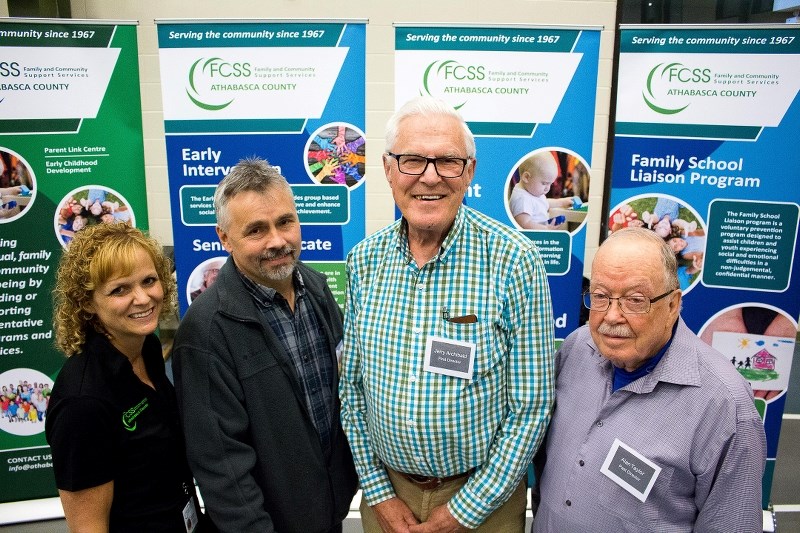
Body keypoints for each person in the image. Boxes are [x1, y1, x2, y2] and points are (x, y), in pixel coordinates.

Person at [340, 96, 555, 532]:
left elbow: (532, 406)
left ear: (470, 171)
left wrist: (466, 510)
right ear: (387, 168)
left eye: (448, 162)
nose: (430, 177)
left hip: (485, 499)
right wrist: (378, 493)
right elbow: (352, 394)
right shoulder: (363, 262)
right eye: (413, 160)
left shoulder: (515, 261)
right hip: (389, 496)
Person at [532, 227, 766, 532]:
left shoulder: (724, 407)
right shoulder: (577, 349)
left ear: (673, 305)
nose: (612, 316)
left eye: (635, 300)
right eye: (600, 296)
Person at [171, 157, 357, 532]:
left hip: (329, 511)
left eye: (285, 222)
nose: (278, 241)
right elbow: (223, 468)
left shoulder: (317, 289)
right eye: (256, 230)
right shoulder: (206, 333)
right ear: (224, 237)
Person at [46, 223, 209, 533]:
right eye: (119, 289)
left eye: (149, 281)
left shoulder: (147, 350)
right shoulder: (83, 402)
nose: (143, 298)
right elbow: (89, 528)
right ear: (88, 302)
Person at [509, 151, 575, 230]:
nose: (548, 188)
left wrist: (562, 202)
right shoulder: (522, 200)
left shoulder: (531, 191)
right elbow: (524, 224)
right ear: (526, 177)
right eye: (544, 183)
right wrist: (546, 229)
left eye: (551, 184)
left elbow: (543, 203)